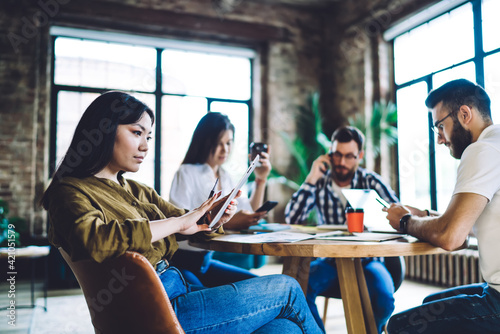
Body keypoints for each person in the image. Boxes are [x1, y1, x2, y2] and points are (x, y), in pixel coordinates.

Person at [41, 91, 323, 333]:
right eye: (136, 133)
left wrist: (214, 216)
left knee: (284, 328)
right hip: (157, 311)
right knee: (287, 288)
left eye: (148, 136)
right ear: (103, 130)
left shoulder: (137, 190)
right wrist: (178, 223)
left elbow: (188, 219)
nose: (145, 146)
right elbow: (94, 239)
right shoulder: (68, 192)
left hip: (178, 291)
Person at [385, 79, 500, 333]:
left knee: (399, 326)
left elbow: (452, 237)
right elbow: (467, 226)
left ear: (464, 114)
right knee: (431, 303)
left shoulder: (481, 151)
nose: (439, 139)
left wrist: (405, 221)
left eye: (440, 126)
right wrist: (425, 215)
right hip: (494, 289)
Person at [285, 125, 400, 333]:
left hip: (369, 261)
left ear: (360, 156)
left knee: (385, 301)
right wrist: (311, 179)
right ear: (330, 153)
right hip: (330, 262)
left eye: (349, 156)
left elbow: (399, 216)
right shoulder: (319, 182)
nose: (341, 162)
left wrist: (375, 220)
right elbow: (292, 218)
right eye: (337, 155)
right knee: (298, 288)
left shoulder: (370, 181)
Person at [169, 112, 271, 287]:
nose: (225, 149)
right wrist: (227, 223)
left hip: (206, 262)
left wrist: (261, 179)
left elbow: (249, 210)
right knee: (201, 294)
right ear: (205, 142)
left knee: (259, 285)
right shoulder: (186, 172)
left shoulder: (226, 176)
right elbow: (178, 226)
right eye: (218, 143)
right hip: (184, 262)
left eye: (229, 143)